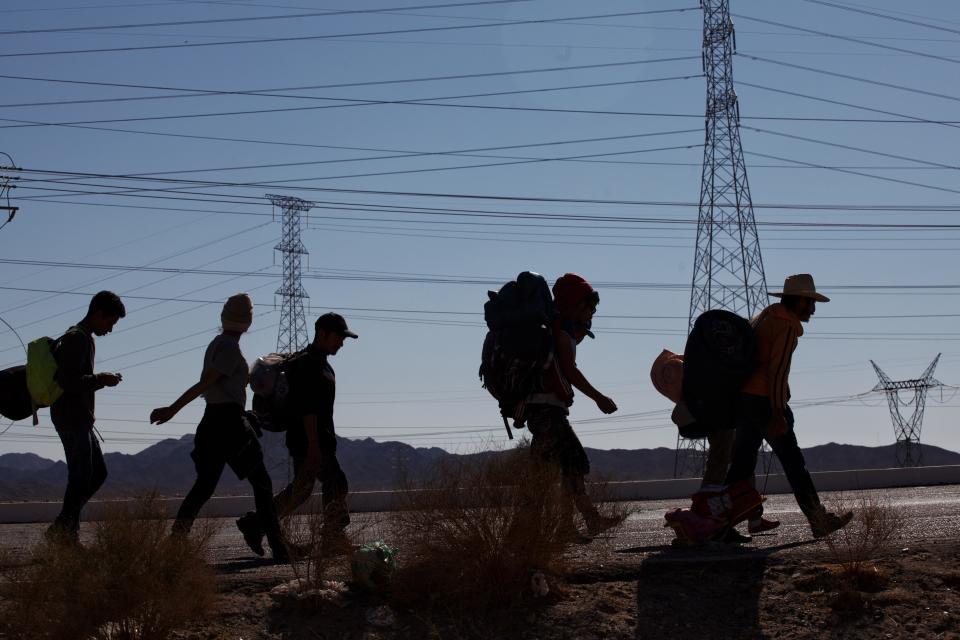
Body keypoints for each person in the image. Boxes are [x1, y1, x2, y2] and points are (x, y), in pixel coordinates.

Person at [150, 293, 286, 561]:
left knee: (204, 486)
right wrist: (172, 409)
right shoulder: (229, 349)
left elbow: (213, 386)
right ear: (248, 323)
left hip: (213, 422)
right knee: (262, 483)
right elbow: (206, 383)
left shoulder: (217, 343)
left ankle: (175, 543)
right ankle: (279, 548)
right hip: (229, 424)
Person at [724, 274, 853, 539]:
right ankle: (819, 520)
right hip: (764, 402)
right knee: (794, 463)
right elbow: (778, 371)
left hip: (746, 399)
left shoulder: (765, 317)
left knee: (741, 465)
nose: (813, 309)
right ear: (798, 301)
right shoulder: (786, 325)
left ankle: (718, 524)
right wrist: (777, 411)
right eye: (810, 302)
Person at [236, 312, 357, 556]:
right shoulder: (308, 364)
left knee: (302, 489)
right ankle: (333, 537)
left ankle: (257, 523)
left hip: (311, 439)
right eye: (338, 337)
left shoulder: (318, 363)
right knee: (335, 482)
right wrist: (313, 445)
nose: (341, 343)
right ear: (322, 333)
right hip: (310, 440)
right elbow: (307, 409)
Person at [523, 273, 622, 540]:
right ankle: (583, 521)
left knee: (551, 471)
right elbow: (569, 370)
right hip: (548, 411)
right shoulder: (560, 329)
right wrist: (599, 398)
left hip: (541, 410)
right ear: (577, 304)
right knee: (573, 461)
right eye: (589, 307)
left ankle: (538, 532)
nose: (592, 313)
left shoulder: (555, 327)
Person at [46, 291, 126, 544]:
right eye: (110, 322)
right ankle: (66, 534)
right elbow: (67, 381)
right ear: (98, 314)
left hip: (79, 419)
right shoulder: (77, 339)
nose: (110, 329)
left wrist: (99, 380)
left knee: (95, 474)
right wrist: (101, 380)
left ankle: (63, 528)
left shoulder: (83, 338)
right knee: (81, 477)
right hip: (71, 419)